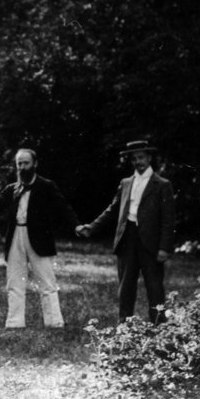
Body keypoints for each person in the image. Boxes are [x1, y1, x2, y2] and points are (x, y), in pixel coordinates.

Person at [0, 148, 81, 329]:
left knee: (47, 281)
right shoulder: (12, 189)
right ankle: (15, 323)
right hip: (15, 237)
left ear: (35, 164)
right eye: (19, 164)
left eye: (26, 163)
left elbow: (64, 207)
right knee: (14, 281)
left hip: (40, 239)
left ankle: (54, 322)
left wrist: (76, 225)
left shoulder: (46, 186)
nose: (22, 167)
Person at [77, 139, 176, 324]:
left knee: (154, 286)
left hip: (150, 241)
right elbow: (112, 210)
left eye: (141, 157)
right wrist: (91, 227)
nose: (138, 162)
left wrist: (164, 247)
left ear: (149, 158)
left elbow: (168, 220)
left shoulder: (162, 184)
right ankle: (124, 327)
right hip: (127, 239)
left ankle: (159, 326)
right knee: (126, 286)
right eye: (134, 159)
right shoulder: (126, 183)